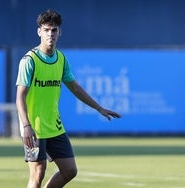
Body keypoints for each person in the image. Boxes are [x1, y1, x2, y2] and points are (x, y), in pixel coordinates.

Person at [15, 9, 121, 188]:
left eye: (54, 30)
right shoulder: (29, 60)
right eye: (46, 30)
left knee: (70, 170)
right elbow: (20, 96)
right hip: (34, 127)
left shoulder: (61, 59)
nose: (50, 34)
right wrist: (26, 126)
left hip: (54, 126)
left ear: (59, 32)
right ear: (39, 32)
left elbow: (75, 87)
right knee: (38, 172)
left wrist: (99, 108)